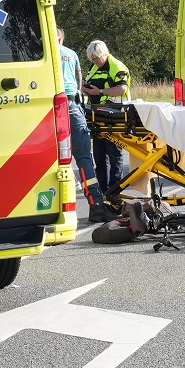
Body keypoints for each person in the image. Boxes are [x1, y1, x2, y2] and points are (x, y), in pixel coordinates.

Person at [56, 27, 114, 222]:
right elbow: (79, 82)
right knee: (83, 158)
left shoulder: (38, 55)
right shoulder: (71, 54)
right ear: (62, 39)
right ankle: (96, 205)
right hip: (71, 106)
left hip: (46, 108)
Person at [82, 40, 130, 194]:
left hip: (114, 115)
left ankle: (116, 190)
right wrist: (84, 88)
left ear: (103, 54)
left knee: (114, 154)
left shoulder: (116, 66)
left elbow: (122, 89)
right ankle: (103, 190)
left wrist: (101, 92)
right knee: (99, 156)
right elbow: (91, 86)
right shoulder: (94, 67)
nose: (94, 61)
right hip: (97, 115)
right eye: (91, 59)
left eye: (96, 58)